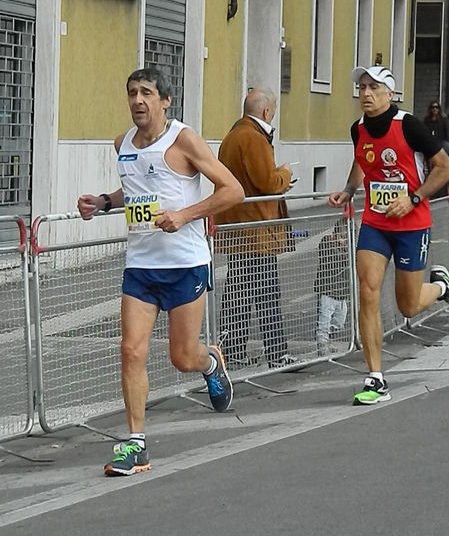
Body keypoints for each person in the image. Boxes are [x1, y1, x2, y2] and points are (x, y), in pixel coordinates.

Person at [77, 66, 244, 476]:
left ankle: (210, 364)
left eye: (146, 92)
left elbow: (233, 190)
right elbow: (134, 191)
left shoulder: (183, 139)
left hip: (185, 265)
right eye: (132, 92)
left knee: (182, 357)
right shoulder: (123, 145)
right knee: (131, 351)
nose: (137, 100)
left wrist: (185, 215)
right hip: (141, 266)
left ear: (165, 100)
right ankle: (136, 444)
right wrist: (103, 201)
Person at [329, 65, 449, 405]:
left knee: (407, 305)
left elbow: (444, 167)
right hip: (376, 223)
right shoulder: (358, 129)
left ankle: (442, 286)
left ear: (390, 94)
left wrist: (412, 199)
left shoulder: (409, 126)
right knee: (367, 290)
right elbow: (362, 159)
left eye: (373, 87)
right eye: (362, 87)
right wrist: (350, 189)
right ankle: (376, 377)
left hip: (412, 224)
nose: (365, 93)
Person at [214, 87, 297, 369]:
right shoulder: (254, 137)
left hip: (236, 227)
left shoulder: (232, 135)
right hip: (256, 230)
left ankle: (232, 351)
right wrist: (284, 173)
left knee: (239, 292)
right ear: (266, 111)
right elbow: (267, 182)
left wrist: (277, 180)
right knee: (267, 293)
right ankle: (277, 353)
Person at [314, 218, 350, 357]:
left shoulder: (349, 249)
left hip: (342, 293)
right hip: (327, 291)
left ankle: (329, 338)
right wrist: (340, 248)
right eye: (341, 237)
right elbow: (330, 258)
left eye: (346, 237)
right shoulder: (327, 243)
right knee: (324, 319)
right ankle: (322, 344)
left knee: (340, 321)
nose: (343, 241)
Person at [423, 100, 449, 199]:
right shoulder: (427, 120)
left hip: (441, 143)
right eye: (433, 107)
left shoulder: (443, 120)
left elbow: (446, 134)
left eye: (436, 107)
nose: (435, 109)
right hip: (430, 143)